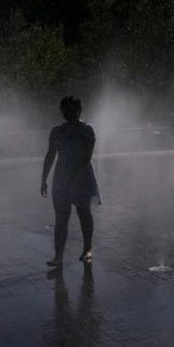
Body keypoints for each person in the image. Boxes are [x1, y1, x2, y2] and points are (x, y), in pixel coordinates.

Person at [41, 96, 101, 268]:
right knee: (61, 217)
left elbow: (87, 155)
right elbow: (50, 155)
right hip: (61, 177)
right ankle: (58, 256)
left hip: (81, 176)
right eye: (65, 110)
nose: (68, 113)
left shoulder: (87, 129)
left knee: (84, 213)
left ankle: (88, 248)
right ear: (62, 112)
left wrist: (72, 176)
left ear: (79, 111)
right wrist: (43, 179)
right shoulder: (56, 131)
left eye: (72, 109)